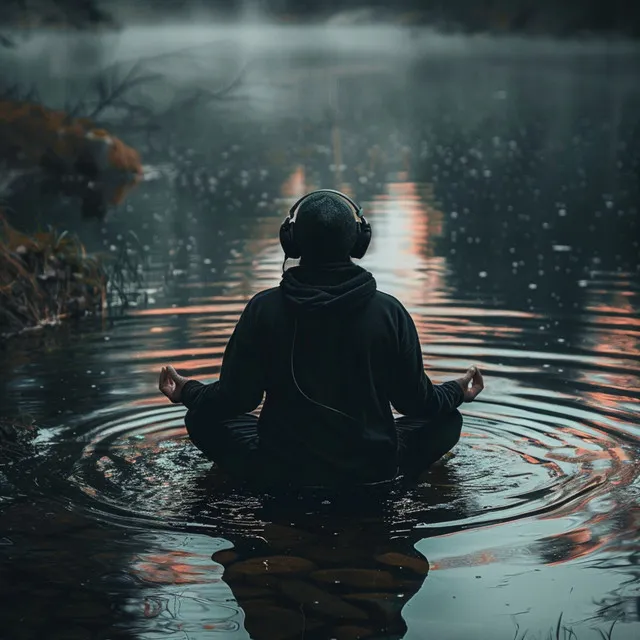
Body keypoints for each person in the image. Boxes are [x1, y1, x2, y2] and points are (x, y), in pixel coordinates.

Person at [159, 189, 484, 489]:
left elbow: (236, 399)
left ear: (291, 241)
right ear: (359, 242)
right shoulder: (389, 312)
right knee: (447, 419)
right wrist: (457, 390)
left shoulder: (263, 309)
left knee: (200, 416)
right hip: (373, 469)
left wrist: (187, 390)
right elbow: (415, 403)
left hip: (280, 470)